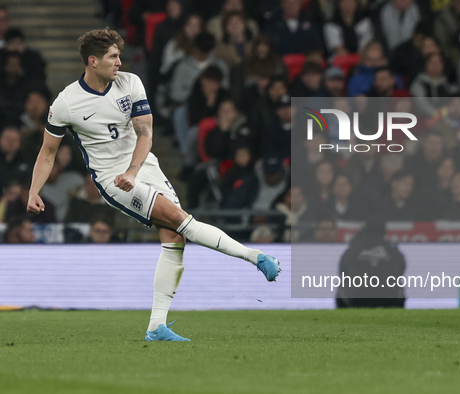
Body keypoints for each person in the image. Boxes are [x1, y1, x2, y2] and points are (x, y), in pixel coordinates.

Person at [26, 28, 281, 342]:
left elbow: (145, 133)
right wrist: (34, 190)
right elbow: (48, 152)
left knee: (175, 235)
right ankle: (255, 257)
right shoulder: (66, 102)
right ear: (93, 61)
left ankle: (156, 327)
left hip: (144, 165)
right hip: (112, 179)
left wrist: (135, 170)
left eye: (119, 55)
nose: (119, 61)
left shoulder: (130, 82)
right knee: (178, 219)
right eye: (113, 57)